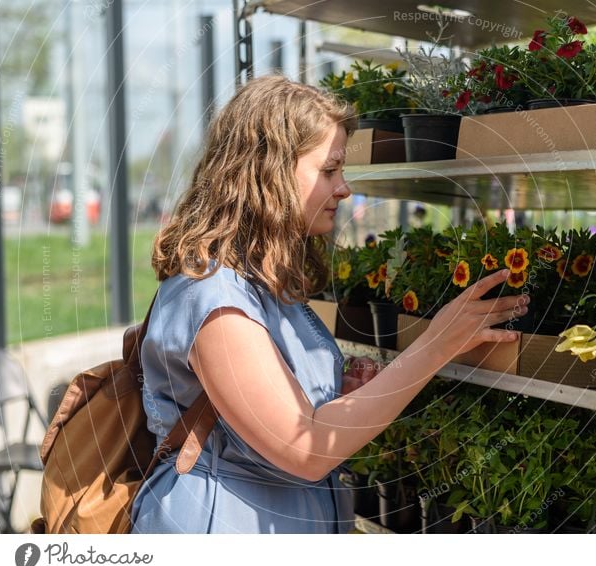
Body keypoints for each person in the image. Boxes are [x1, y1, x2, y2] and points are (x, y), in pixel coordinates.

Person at [130, 76, 528, 534]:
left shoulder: (260, 285)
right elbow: (306, 448)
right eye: (329, 170)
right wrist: (435, 345)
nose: (344, 189)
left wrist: (338, 395)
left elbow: (286, 419)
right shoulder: (215, 299)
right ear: (269, 172)